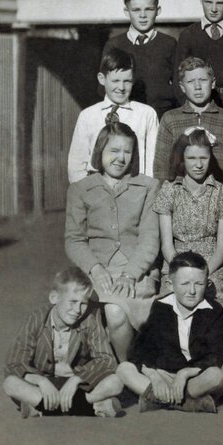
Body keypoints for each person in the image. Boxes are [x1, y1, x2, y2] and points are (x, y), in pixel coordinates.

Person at [65, 122, 159, 361]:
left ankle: (127, 371)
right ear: (100, 152)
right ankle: (123, 371)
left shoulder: (148, 186)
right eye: (113, 151)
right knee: (106, 314)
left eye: (127, 151)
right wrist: (95, 269)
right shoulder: (80, 189)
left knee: (119, 313)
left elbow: (150, 238)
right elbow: (74, 240)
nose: (120, 158)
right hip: (97, 271)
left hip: (138, 271)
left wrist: (130, 274)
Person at [116, 252, 223, 414]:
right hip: (164, 373)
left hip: (192, 377)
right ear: (170, 285)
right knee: (124, 369)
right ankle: (188, 404)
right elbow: (139, 349)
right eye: (185, 284)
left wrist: (184, 374)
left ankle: (157, 400)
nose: (192, 291)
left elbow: (217, 354)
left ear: (206, 283)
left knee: (217, 376)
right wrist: (154, 376)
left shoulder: (213, 311)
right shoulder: (160, 307)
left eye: (199, 284)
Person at [3, 267, 123, 418]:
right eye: (72, 302)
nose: (78, 310)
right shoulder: (37, 318)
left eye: (83, 303)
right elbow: (14, 362)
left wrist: (76, 380)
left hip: (80, 386)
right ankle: (87, 406)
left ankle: (42, 408)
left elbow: (106, 359)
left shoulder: (90, 320)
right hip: (46, 384)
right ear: (54, 298)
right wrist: (40, 381)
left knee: (116, 381)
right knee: (10, 383)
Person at [154, 129, 223, 308]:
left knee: (214, 310)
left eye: (203, 158)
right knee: (168, 311)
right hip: (176, 262)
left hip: (212, 266)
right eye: (191, 159)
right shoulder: (169, 190)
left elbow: (222, 248)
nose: (198, 165)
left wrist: (202, 273)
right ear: (182, 159)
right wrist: (181, 271)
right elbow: (166, 245)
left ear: (210, 158)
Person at [67, 49, 158, 182]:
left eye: (127, 81)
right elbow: (76, 165)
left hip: (134, 191)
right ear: (102, 79)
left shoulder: (146, 114)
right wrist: (86, 195)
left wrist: (145, 191)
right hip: (96, 192)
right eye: (115, 81)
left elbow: (152, 161)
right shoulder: (87, 116)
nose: (121, 87)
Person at [155, 56, 223, 184]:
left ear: (212, 83)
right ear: (182, 87)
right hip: (179, 195)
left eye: (202, 80)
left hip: (219, 194)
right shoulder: (170, 119)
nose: (197, 87)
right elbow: (161, 169)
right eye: (190, 82)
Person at [101, 0, 178, 116]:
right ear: (127, 12)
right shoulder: (114, 44)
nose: (143, 15)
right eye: (136, 10)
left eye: (149, 9)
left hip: (162, 116)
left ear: (158, 10)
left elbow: (180, 86)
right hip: (126, 117)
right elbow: (103, 88)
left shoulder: (169, 44)